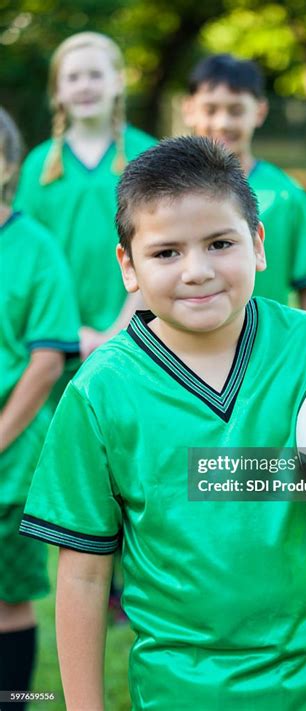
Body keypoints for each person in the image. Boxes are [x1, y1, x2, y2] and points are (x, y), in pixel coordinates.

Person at [20, 136, 306, 710]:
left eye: (219, 243)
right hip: (182, 690)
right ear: (127, 266)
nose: (197, 270)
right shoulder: (101, 390)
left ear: (258, 244)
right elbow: (84, 576)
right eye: (166, 253)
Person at [0, 108, 80, 708]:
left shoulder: (34, 248)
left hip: (9, 462)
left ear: (5, 165)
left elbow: (47, 359)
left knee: (6, 600)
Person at [14, 31, 156, 362]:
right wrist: (66, 331)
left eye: (95, 74)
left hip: (140, 338)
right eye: (73, 77)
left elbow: (165, 250)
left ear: (118, 82)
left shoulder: (150, 155)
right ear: (58, 91)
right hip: (53, 338)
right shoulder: (38, 165)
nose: (84, 85)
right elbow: (28, 258)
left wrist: (121, 330)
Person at [183, 53, 306, 313]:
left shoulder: (286, 195)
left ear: (260, 111)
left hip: (269, 348)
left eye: (236, 110)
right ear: (189, 110)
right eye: (210, 110)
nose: (223, 122)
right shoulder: (166, 194)